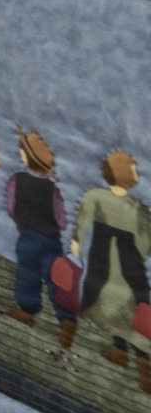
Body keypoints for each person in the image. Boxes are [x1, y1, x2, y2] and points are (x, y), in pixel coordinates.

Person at [74, 152, 151, 394]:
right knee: (132, 306)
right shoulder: (137, 207)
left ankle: (138, 362)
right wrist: (139, 253)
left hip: (107, 257)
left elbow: (84, 216)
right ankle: (125, 354)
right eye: (133, 169)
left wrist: (77, 241)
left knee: (121, 303)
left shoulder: (98, 197)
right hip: (128, 262)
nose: (136, 173)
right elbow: (146, 239)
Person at [5, 131, 73, 338]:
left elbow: (11, 207)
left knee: (28, 274)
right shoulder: (53, 189)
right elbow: (61, 219)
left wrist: (21, 219)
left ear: (26, 157)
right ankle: (66, 319)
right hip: (52, 239)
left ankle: (27, 311)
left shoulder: (16, 180)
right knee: (56, 279)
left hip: (27, 235)